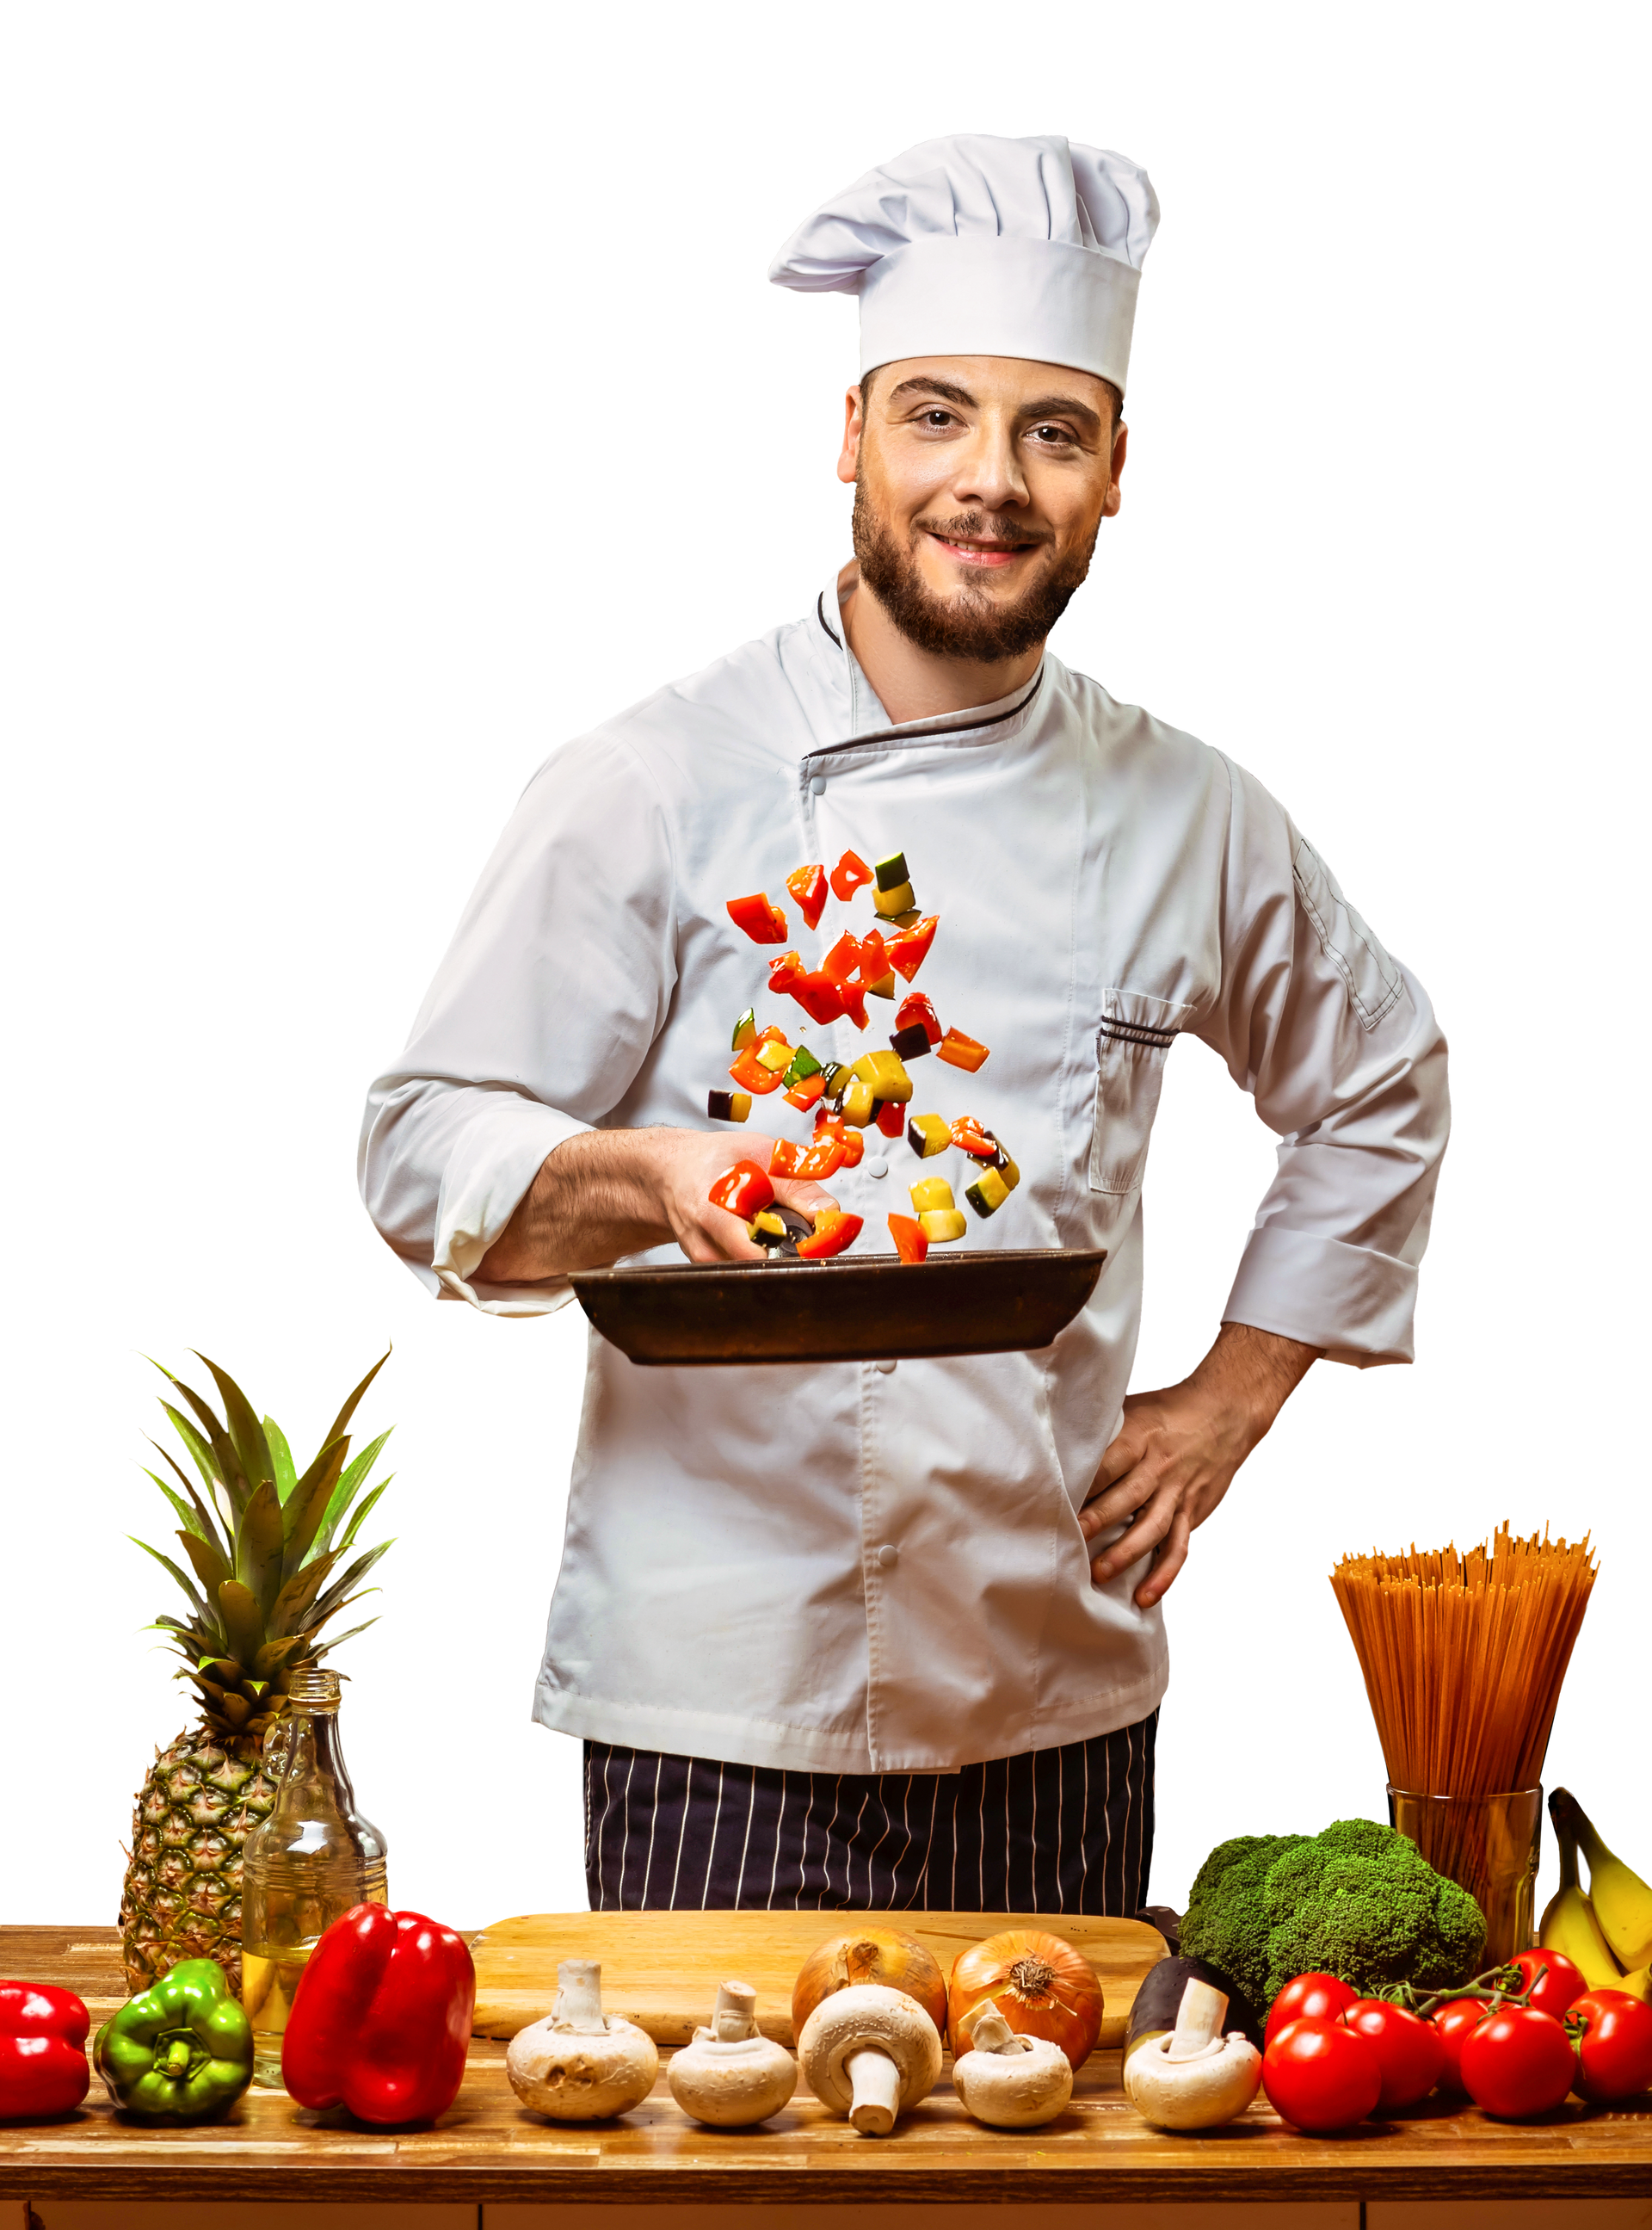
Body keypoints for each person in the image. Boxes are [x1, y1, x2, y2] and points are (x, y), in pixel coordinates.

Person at [355, 133, 1450, 1914]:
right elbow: (418, 1149)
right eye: (939, 417)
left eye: (1054, 432)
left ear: (1116, 477)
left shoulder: (1187, 806)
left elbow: (1382, 1078)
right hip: (718, 1699)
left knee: (1056, 2099)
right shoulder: (651, 774)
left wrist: (1231, 1402)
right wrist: (648, 1172)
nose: (990, 484)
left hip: (1060, 1678)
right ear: (853, 435)